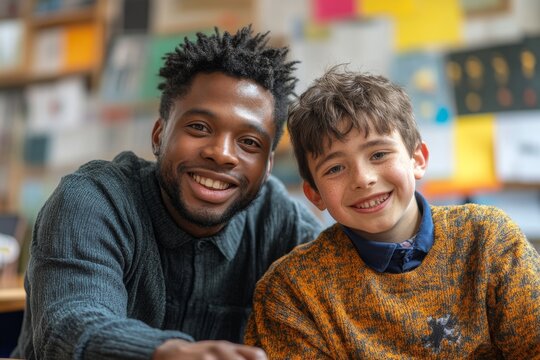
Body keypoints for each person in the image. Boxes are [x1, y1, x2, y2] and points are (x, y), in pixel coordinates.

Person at [12, 26, 322, 360]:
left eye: (249, 143)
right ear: (159, 135)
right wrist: (167, 353)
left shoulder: (282, 224)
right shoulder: (93, 200)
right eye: (199, 128)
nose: (222, 153)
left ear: (268, 165)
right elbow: (71, 325)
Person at [244, 66, 540, 358]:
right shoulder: (292, 291)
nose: (363, 178)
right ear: (314, 194)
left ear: (417, 159)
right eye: (335, 168)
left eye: (379, 154)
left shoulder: (488, 239)